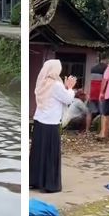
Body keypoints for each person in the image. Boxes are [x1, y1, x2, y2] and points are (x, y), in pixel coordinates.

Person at [31, 59, 76, 193]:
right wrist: (70, 88)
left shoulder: (41, 82)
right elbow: (68, 99)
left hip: (39, 122)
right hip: (51, 124)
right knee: (50, 154)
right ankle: (49, 184)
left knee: (38, 153)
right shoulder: (56, 85)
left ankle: (35, 180)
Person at [87, 54, 109, 133]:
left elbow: (90, 81)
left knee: (89, 112)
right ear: (106, 59)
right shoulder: (106, 68)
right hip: (101, 92)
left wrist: (88, 93)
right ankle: (101, 131)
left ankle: (87, 129)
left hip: (92, 92)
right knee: (103, 113)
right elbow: (105, 81)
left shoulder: (93, 68)